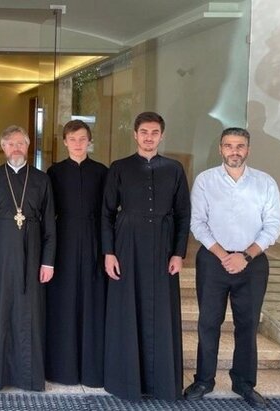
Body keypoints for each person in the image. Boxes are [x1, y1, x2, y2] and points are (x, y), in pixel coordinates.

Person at [184, 128, 280, 409]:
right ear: (220, 149)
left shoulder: (265, 183)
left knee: (248, 324)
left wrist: (246, 256)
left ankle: (244, 383)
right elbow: (197, 222)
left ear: (248, 149)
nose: (234, 151)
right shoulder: (205, 181)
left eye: (240, 146)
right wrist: (223, 254)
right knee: (208, 323)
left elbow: (273, 225)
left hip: (253, 264)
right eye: (229, 146)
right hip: (213, 261)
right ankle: (203, 380)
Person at [102, 111, 191, 401]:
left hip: (163, 246)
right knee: (128, 308)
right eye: (144, 132)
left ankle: (162, 383)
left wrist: (179, 253)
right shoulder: (119, 167)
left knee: (161, 311)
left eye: (154, 132)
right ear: (135, 135)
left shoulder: (175, 169)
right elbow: (106, 213)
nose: (149, 137)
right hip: (127, 245)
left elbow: (183, 214)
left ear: (161, 135)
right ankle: (127, 381)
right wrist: (109, 252)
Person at [0, 125, 56, 391]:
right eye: (10, 144)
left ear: (28, 146)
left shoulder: (42, 180)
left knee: (28, 312)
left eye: (21, 143)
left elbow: (50, 227)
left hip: (31, 256)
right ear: (3, 147)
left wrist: (48, 261)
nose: (16, 148)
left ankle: (28, 376)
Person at [45, 120, 108, 387]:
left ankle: (93, 367)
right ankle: (62, 367)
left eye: (83, 138)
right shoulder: (54, 172)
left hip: (94, 238)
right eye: (73, 139)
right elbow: (48, 213)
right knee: (64, 300)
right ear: (65, 142)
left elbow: (107, 213)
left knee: (93, 300)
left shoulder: (102, 171)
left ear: (89, 140)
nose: (78, 143)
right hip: (64, 241)